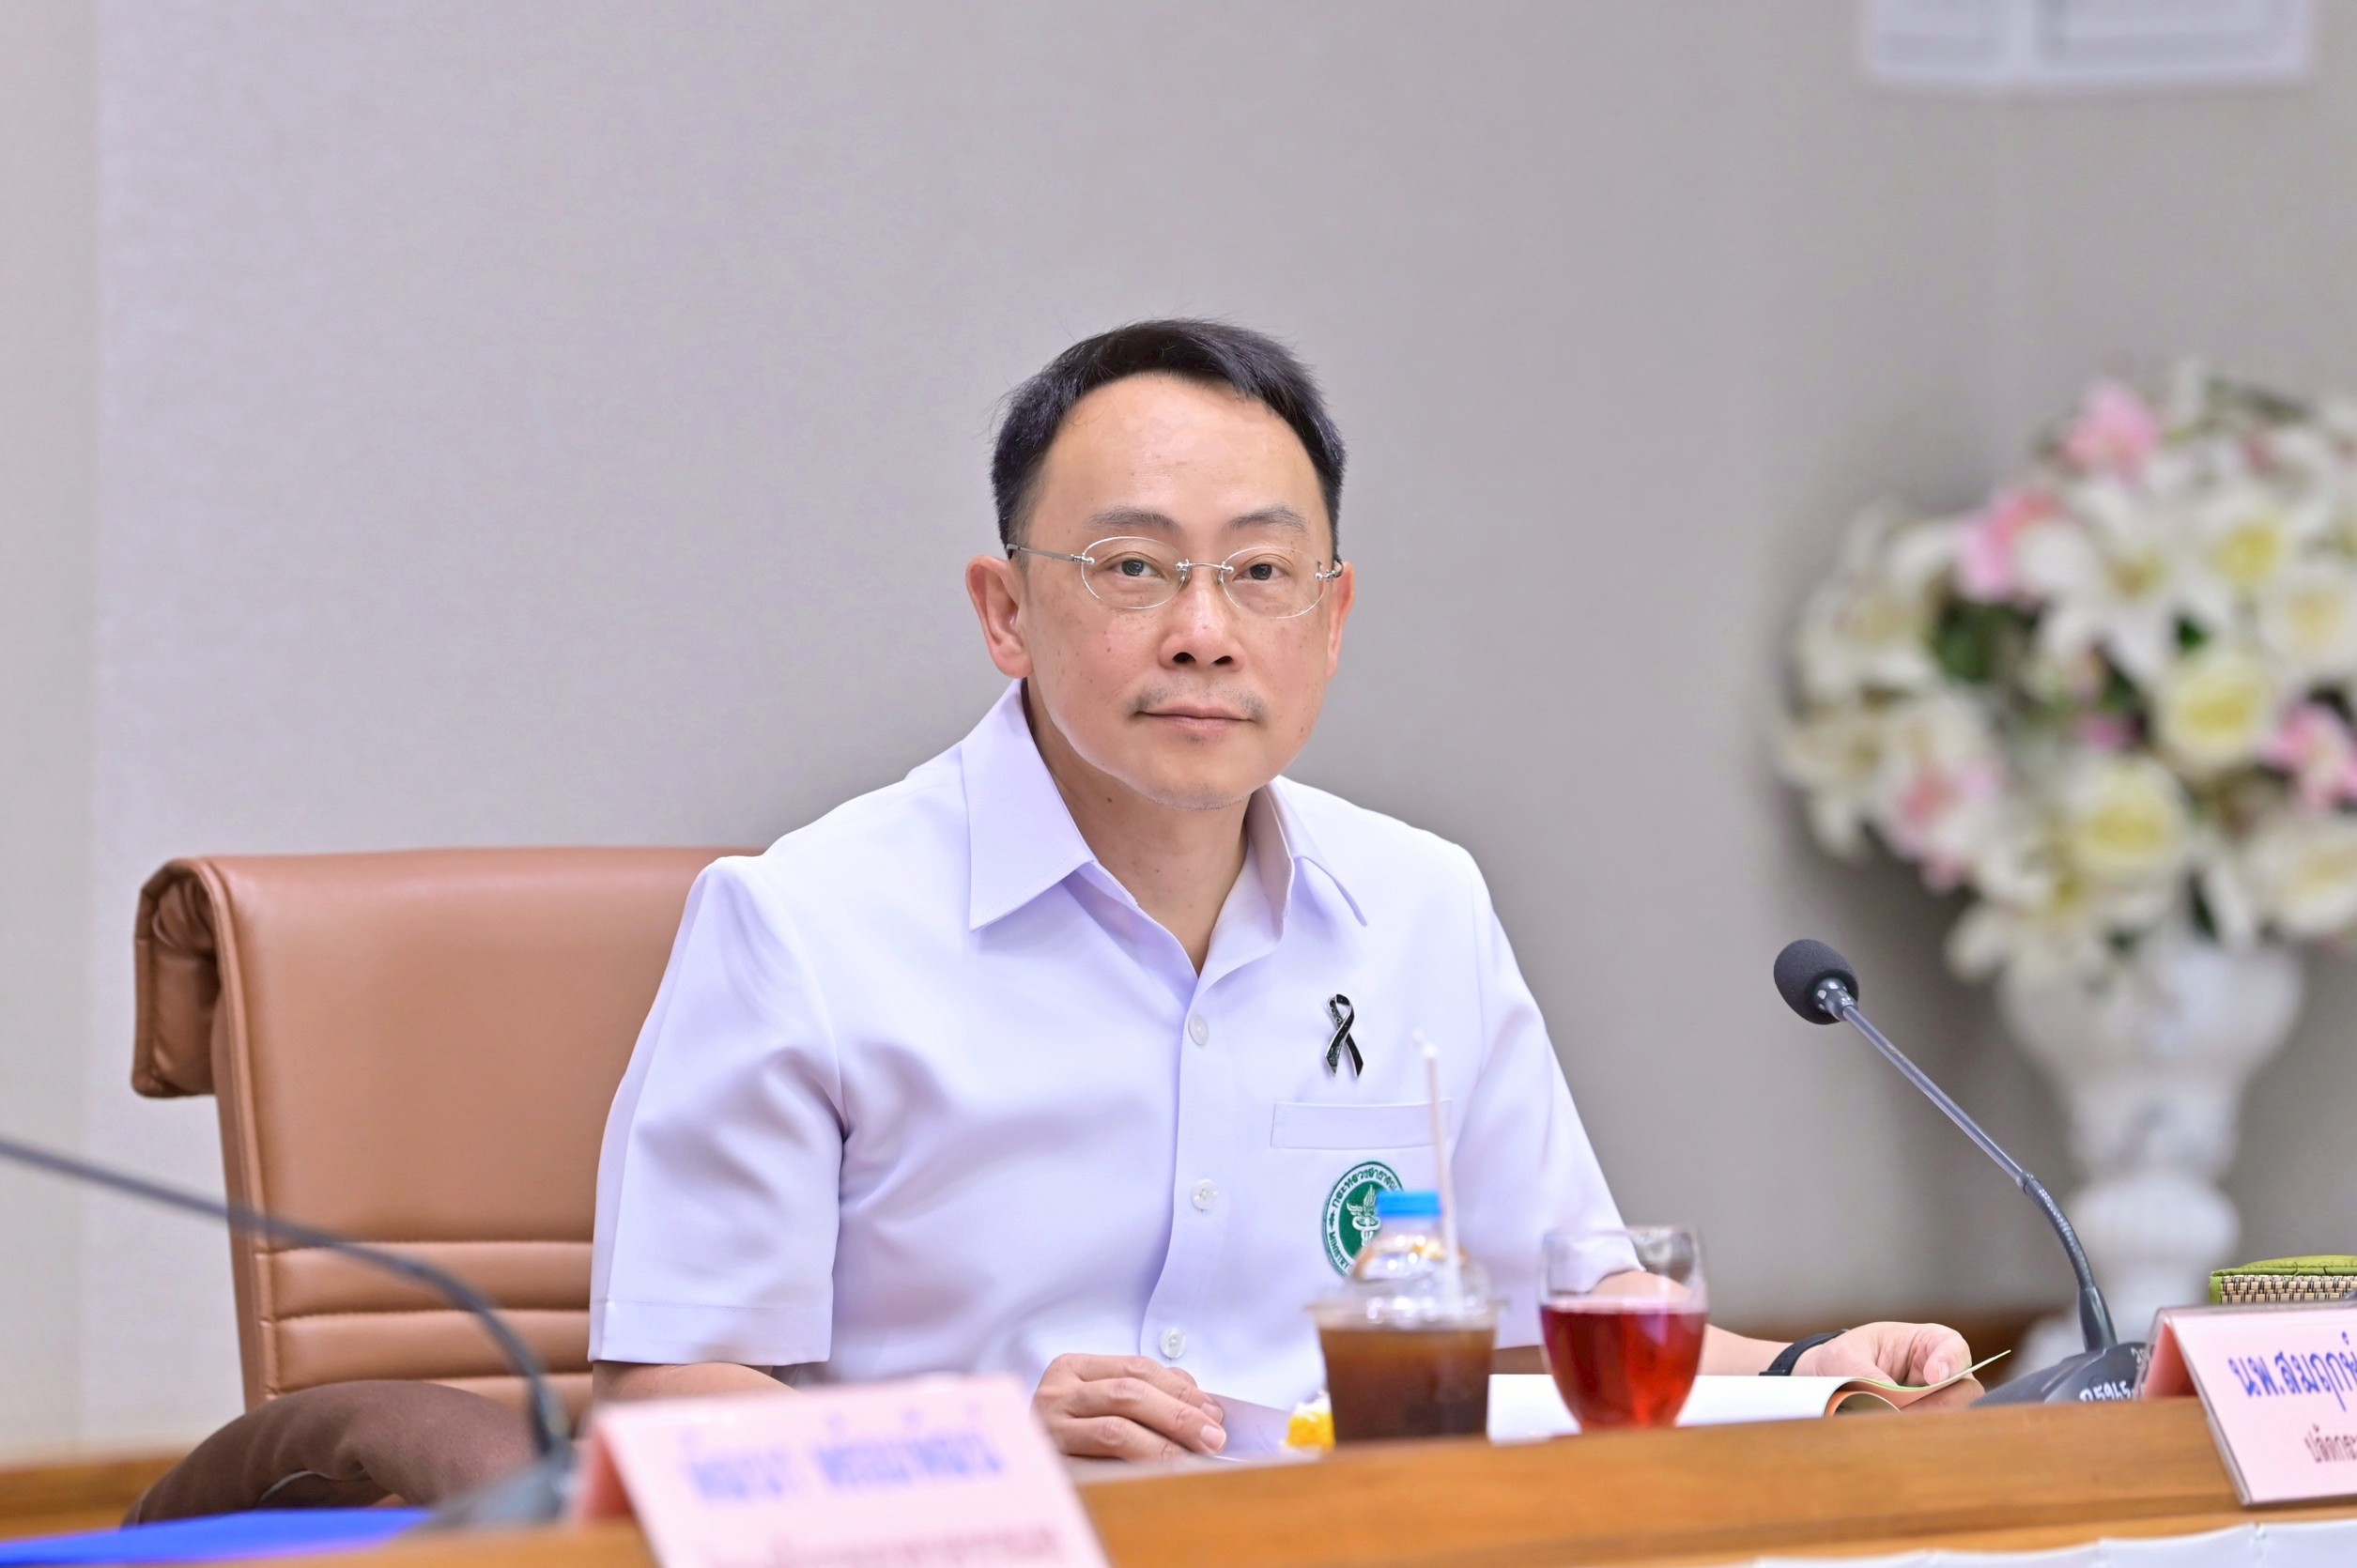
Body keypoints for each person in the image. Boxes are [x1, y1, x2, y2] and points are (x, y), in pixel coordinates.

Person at [588, 320, 1980, 1460]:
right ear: (1004, 611)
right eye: (1133, 569)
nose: (1203, 632)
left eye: (1260, 572)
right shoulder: (805, 925)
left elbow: (1565, 1324)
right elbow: (661, 1399)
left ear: (1332, 616)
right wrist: (987, 1442)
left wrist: (1811, 1372)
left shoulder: (1420, 904)